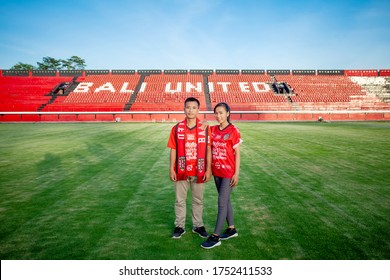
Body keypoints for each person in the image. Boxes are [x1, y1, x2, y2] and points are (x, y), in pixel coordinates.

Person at [167, 97, 212, 239]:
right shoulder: (176, 128)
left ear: (198, 110)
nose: (191, 110)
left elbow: (209, 149)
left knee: (198, 200)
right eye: (188, 107)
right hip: (181, 170)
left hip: (199, 170)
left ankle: (198, 225)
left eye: (194, 107)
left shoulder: (204, 128)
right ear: (184, 109)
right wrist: (171, 168)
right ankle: (179, 226)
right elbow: (173, 149)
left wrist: (208, 169)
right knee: (180, 200)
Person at [201, 102, 242, 249]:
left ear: (228, 113)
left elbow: (237, 155)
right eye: (216, 113)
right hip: (217, 172)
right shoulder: (213, 130)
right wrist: (205, 123)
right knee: (226, 200)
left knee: (221, 202)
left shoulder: (234, 131)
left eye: (221, 113)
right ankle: (231, 229)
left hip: (228, 173)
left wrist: (236, 174)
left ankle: (216, 236)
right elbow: (203, 127)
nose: (218, 116)